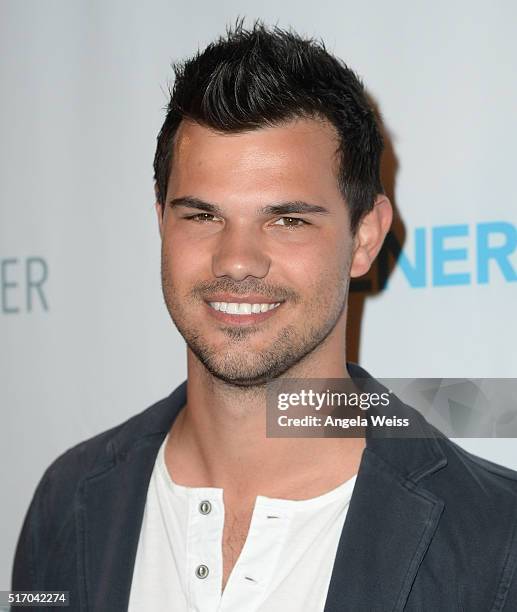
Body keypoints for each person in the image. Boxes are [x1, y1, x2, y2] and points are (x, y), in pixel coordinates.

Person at [12, 20, 517, 612]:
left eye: (288, 220)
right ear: (160, 221)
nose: (237, 261)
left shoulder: (496, 538)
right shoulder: (66, 500)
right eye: (201, 216)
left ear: (364, 238)